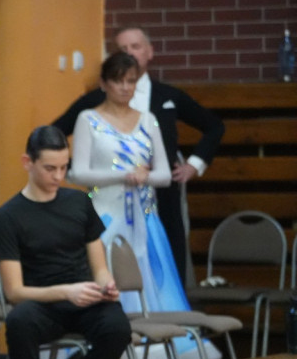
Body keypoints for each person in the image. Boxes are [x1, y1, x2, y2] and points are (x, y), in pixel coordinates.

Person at [0, 126, 132, 359]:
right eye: (50, 168)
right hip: (43, 301)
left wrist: (106, 285)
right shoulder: (8, 216)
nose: (58, 176)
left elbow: (98, 264)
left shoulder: (79, 202)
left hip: (84, 298)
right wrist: (67, 291)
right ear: (28, 162)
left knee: (118, 329)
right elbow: (14, 292)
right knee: (19, 322)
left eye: (64, 168)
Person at [52, 25, 224, 284]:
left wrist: (194, 164)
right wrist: (76, 168)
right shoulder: (93, 103)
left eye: (136, 47)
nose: (130, 53)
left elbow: (214, 125)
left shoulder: (168, 96)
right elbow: (55, 132)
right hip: (108, 198)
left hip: (159, 196)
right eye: (123, 49)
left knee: (164, 257)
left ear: (150, 51)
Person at [67, 52, 188, 314]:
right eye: (118, 81)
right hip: (105, 216)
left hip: (145, 217)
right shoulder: (88, 119)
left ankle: (155, 344)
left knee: (152, 280)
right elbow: (79, 173)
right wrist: (125, 176)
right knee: (106, 275)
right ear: (104, 83)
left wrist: (144, 177)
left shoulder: (148, 119)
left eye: (131, 81)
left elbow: (164, 175)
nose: (125, 87)